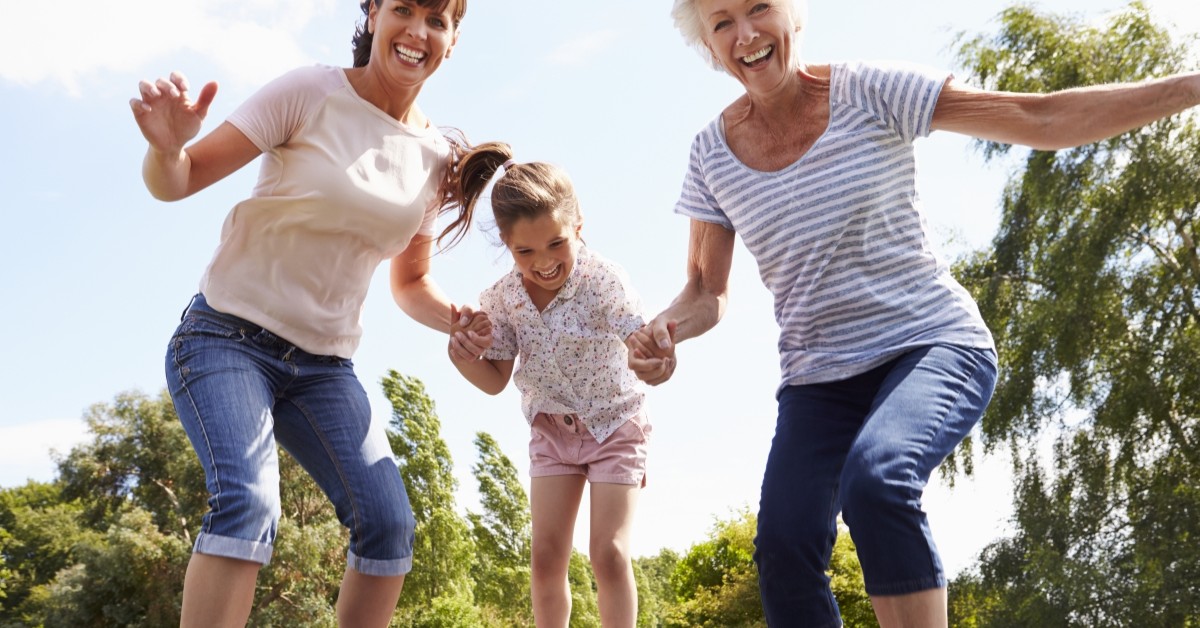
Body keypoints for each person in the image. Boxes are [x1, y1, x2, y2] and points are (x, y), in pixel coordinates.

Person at [626, 1, 1200, 626]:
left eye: (761, 7)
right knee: (785, 546)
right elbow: (705, 290)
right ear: (710, 48)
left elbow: (1040, 116)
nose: (746, 34)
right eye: (722, 23)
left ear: (794, 17)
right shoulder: (711, 154)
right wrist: (667, 330)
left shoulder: (872, 89)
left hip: (931, 346)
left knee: (876, 482)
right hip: (818, 380)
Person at [129, 1, 495, 625]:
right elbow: (178, 181)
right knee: (248, 502)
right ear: (374, 14)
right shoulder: (309, 92)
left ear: (453, 39)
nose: (417, 31)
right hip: (226, 339)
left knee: (388, 525)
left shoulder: (435, 158)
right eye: (402, 9)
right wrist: (167, 149)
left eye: (437, 20)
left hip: (324, 369)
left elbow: (411, 283)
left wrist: (454, 318)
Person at [446, 144, 651, 628]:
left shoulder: (604, 281)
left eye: (556, 243)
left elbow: (635, 337)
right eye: (526, 251)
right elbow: (495, 379)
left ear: (578, 226)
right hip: (552, 434)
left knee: (609, 554)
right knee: (545, 558)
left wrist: (654, 352)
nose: (544, 262)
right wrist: (462, 359)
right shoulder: (502, 300)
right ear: (506, 243)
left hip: (615, 424)